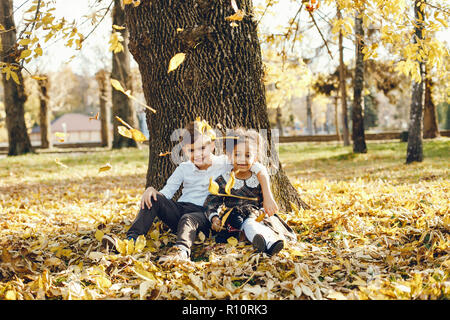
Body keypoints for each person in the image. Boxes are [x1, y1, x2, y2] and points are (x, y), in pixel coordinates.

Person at [102, 120, 277, 261]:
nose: (198, 154)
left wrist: (268, 196)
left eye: (202, 148)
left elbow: (258, 167)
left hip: (205, 214)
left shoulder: (224, 162)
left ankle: (181, 251)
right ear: (184, 151)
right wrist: (151, 189)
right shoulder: (184, 168)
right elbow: (167, 192)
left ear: (212, 146)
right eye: (191, 150)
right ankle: (130, 241)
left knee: (189, 219)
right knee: (153, 197)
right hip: (180, 209)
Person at [204, 128, 297, 256]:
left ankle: (268, 243)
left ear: (255, 158)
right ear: (230, 155)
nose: (242, 159)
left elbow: (265, 202)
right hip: (235, 218)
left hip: (257, 215)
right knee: (247, 224)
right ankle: (268, 244)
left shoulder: (257, 178)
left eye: (248, 155)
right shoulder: (224, 178)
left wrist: (263, 211)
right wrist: (214, 218)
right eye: (237, 155)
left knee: (253, 224)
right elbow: (211, 202)